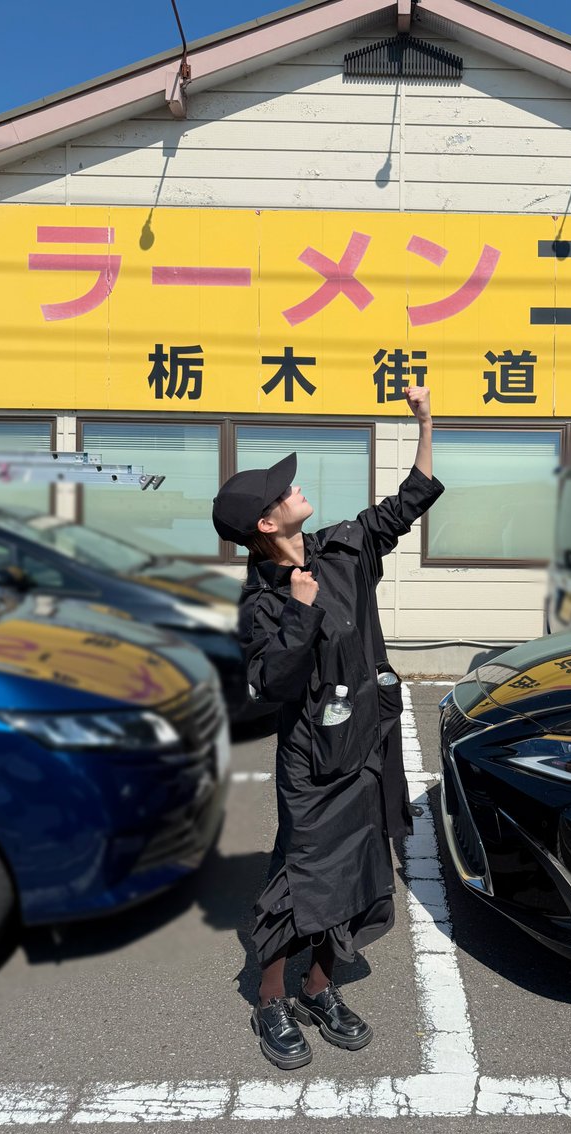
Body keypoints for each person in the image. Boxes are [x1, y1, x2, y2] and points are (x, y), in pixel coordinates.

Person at [211, 386, 443, 1070]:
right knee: (302, 877)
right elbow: (273, 686)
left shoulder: (343, 549)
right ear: (265, 523)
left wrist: (425, 422)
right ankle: (270, 999)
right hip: (313, 762)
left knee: (359, 873)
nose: (296, 488)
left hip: (366, 744)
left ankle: (318, 989)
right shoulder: (260, 602)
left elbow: (410, 499)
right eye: (283, 491)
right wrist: (300, 612)